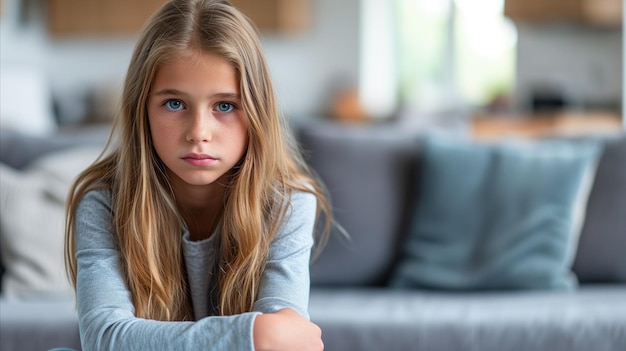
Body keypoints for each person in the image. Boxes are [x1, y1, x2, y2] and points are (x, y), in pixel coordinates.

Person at [64, 0, 331, 350]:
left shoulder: (288, 202)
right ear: (141, 109)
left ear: (257, 110)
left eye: (224, 106)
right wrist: (254, 334)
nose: (198, 132)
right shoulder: (104, 202)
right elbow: (103, 338)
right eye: (174, 104)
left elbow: (286, 342)